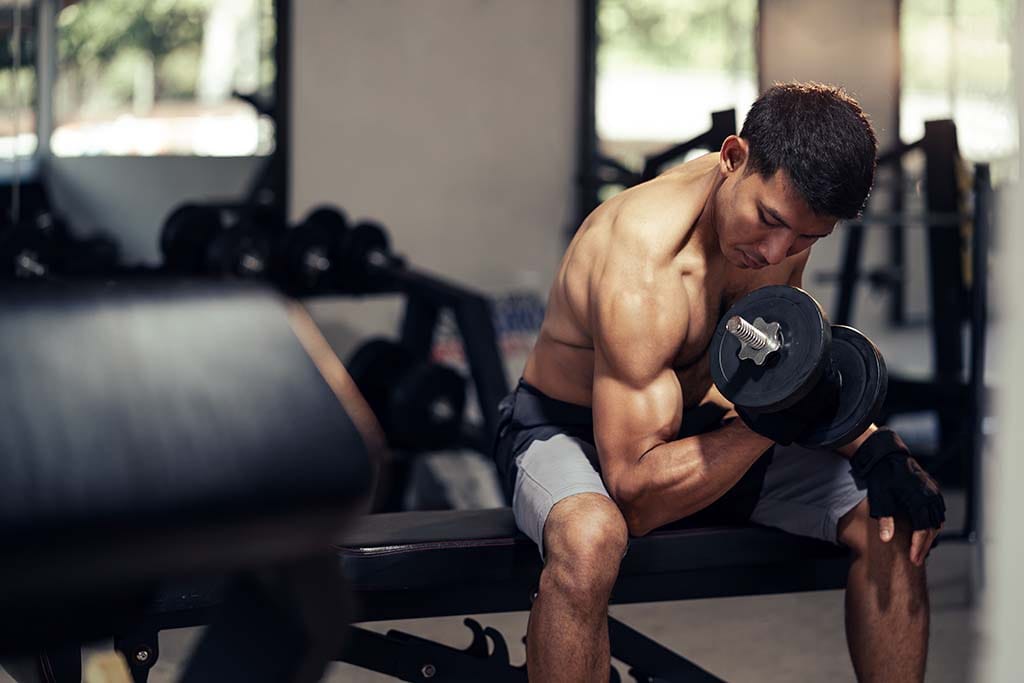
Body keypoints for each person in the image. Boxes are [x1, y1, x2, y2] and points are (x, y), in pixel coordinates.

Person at [492, 82, 946, 682]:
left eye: (808, 238)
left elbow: (776, 371)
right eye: (769, 221)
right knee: (590, 538)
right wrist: (773, 419)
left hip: (702, 425)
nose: (778, 250)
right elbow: (635, 494)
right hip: (565, 433)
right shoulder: (643, 263)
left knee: (891, 512)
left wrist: (872, 445)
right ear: (733, 157)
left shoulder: (783, 229)